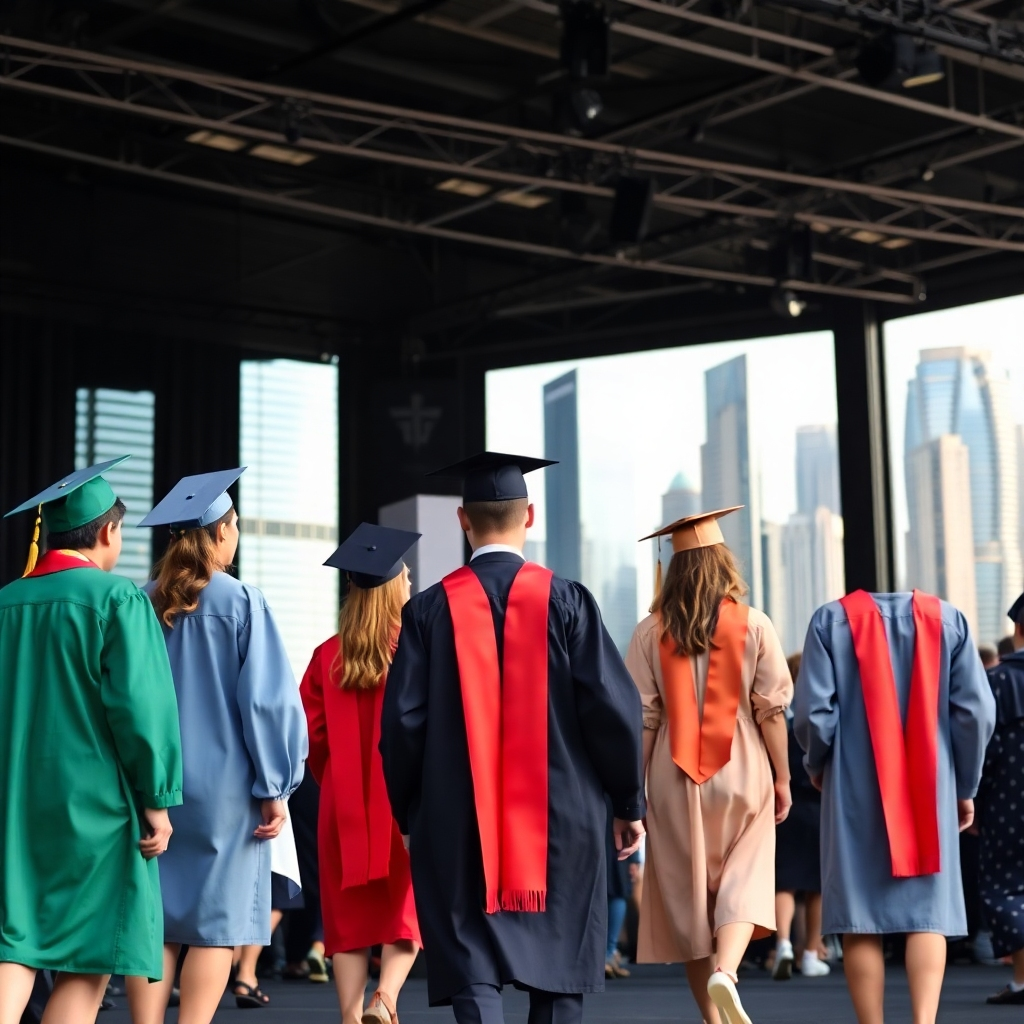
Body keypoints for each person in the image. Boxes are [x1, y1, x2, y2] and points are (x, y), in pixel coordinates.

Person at [380, 452, 646, 1024]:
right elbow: (612, 709)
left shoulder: (427, 610)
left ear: (462, 520)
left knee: (472, 967)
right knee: (557, 974)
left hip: (456, 820)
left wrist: (408, 813)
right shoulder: (569, 601)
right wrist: (628, 800)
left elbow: (402, 723)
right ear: (530, 517)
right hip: (562, 819)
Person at [0, 458, 183, 1024]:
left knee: (17, 941)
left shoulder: (6, 602)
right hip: (95, 809)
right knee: (87, 957)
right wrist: (157, 802)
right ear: (107, 532)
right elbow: (142, 710)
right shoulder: (117, 600)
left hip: (12, 802)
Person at [125, 469, 307, 1024]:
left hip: (153, 784)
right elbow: (268, 704)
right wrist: (275, 787)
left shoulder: (138, 602)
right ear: (222, 533)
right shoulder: (242, 601)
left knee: (155, 918)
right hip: (227, 793)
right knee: (215, 925)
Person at [795, 587, 996, 1024]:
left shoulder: (829, 622)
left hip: (852, 781)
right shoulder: (949, 621)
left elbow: (813, 713)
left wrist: (817, 762)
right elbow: (975, 714)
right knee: (927, 913)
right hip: (932, 784)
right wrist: (964, 784)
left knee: (859, 913)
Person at [625, 506, 793, 1024]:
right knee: (745, 878)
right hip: (743, 767)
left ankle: (712, 1018)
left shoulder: (650, 632)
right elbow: (772, 713)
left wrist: (637, 794)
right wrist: (783, 778)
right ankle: (730, 970)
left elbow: (645, 720)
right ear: (723, 566)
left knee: (693, 902)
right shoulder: (755, 625)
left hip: (674, 776)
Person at [301, 523, 423, 1024]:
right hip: (403, 803)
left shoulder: (326, 656)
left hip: (342, 803)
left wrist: (339, 779)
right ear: (396, 587)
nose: (412, 586)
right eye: (408, 579)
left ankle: (351, 1015)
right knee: (405, 914)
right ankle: (386, 997)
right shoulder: (415, 652)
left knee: (348, 922)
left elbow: (312, 738)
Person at [978, 593, 1024, 1005]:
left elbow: (981, 744)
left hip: (1009, 799)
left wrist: (971, 795)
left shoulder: (999, 680)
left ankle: (1023, 979)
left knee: (1007, 884)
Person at [772, 652, 829, 981]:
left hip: (785, 806)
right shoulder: (821, 717)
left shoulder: (781, 718)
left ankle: (783, 945)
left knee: (786, 881)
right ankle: (811, 951)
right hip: (819, 806)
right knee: (817, 885)